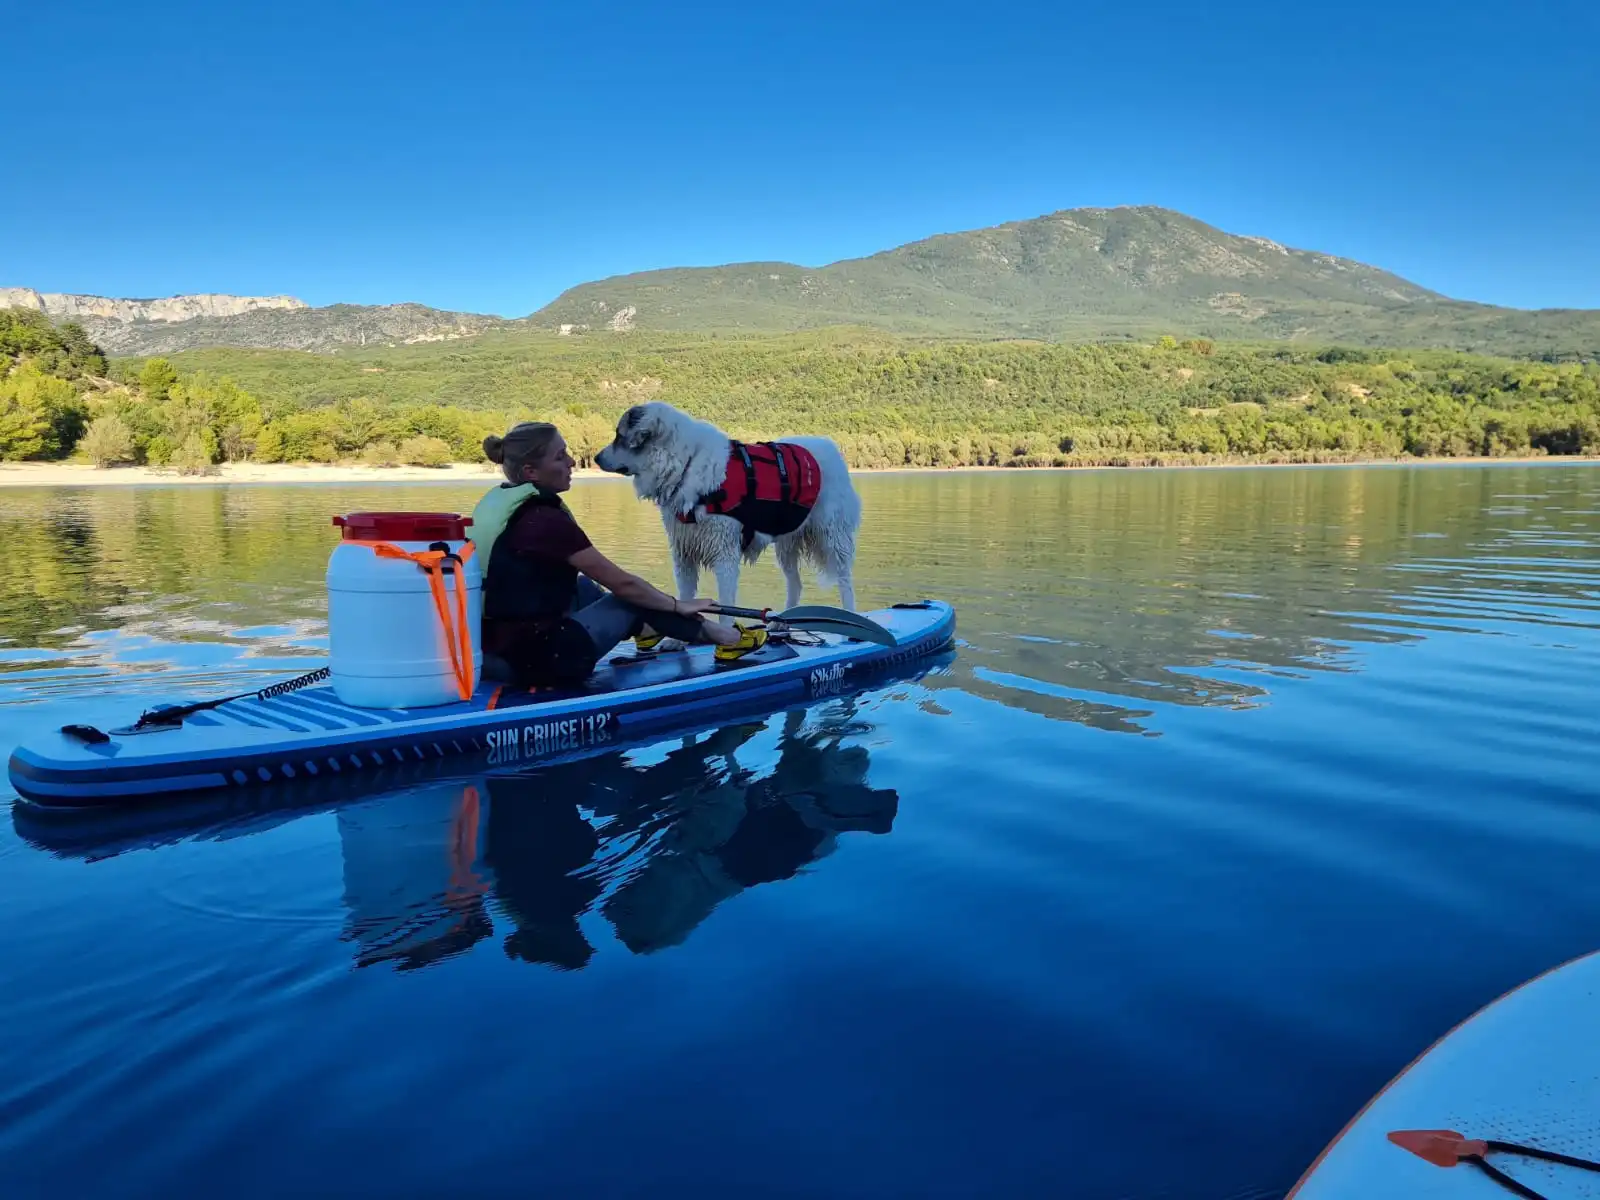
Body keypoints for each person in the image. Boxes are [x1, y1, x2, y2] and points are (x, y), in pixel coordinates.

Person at [471, 420, 766, 689]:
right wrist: (677, 605)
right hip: (539, 664)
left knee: (580, 585)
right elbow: (624, 586)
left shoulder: (501, 503)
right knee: (629, 598)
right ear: (530, 472)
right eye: (560, 457)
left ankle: (648, 629)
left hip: (494, 652)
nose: (572, 462)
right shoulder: (545, 522)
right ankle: (728, 639)